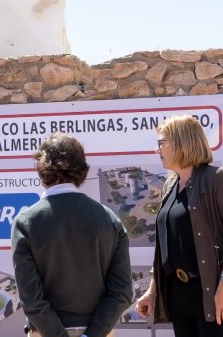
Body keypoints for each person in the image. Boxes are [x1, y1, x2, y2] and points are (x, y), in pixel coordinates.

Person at [134, 115, 223, 336]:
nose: (157, 150)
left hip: (214, 290)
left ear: (182, 143)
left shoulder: (218, 179)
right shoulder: (170, 184)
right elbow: (166, 245)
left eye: (162, 143)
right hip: (179, 294)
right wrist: (152, 292)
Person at [10, 133, 133, 337]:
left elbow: (31, 298)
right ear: (82, 169)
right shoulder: (109, 219)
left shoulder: (26, 221)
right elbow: (122, 293)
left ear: (41, 170)